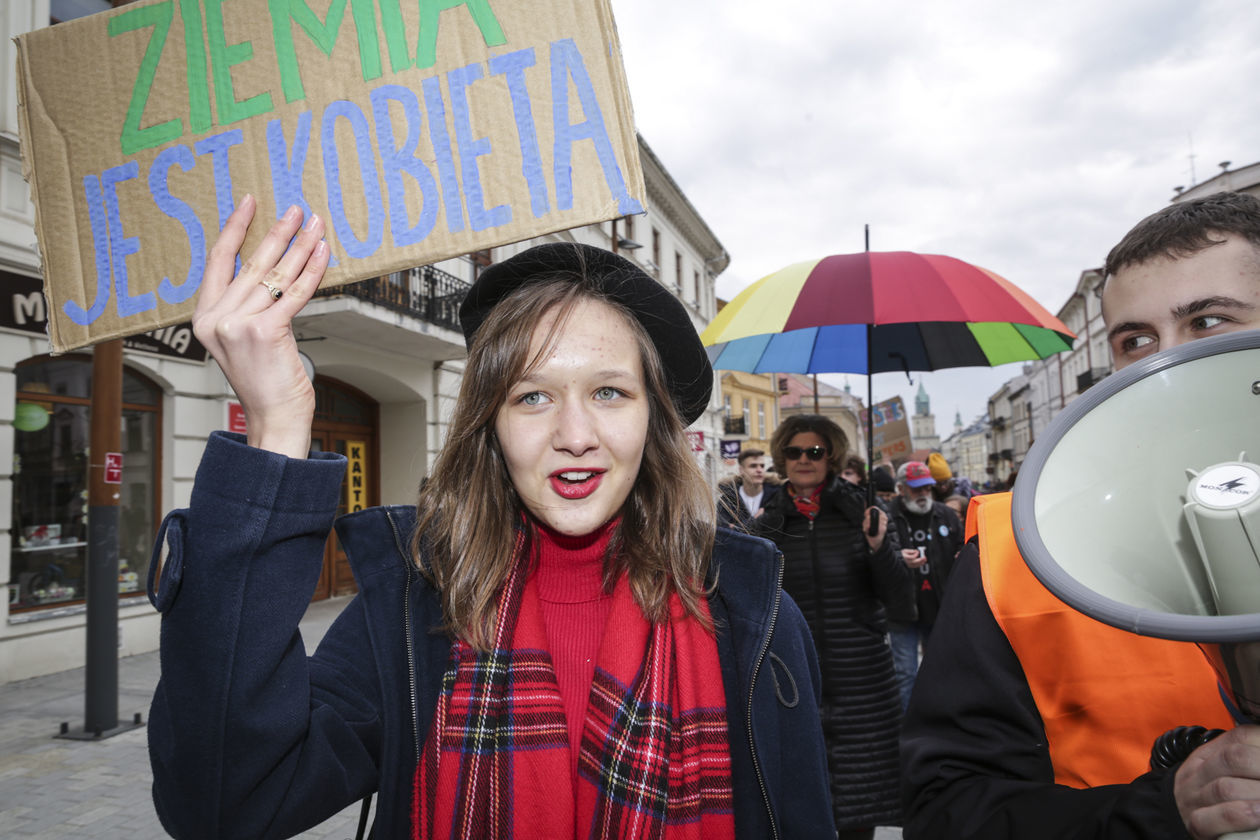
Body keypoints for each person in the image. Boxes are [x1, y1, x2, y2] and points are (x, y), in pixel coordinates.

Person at [146, 201, 835, 839]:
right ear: (491, 428)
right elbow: (222, 804)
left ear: (653, 420)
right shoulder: (414, 612)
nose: (575, 433)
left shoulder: (754, 621)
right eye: (532, 396)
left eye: (609, 392)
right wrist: (273, 429)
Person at [902, 190, 1260, 840]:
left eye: (1206, 322)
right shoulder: (1017, 547)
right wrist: (1161, 810)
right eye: (1134, 339)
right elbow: (949, 808)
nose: (1162, 361)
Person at [754, 414, 908, 839]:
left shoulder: (865, 512)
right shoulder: (768, 521)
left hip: (862, 675)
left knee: (863, 795)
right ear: (782, 457)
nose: (805, 460)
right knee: (800, 794)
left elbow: (900, 601)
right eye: (794, 451)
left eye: (815, 452)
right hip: (792, 674)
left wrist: (879, 549)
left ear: (832, 456)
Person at [884, 460, 964, 711]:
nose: (923, 494)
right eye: (916, 488)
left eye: (927, 488)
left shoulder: (945, 514)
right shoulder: (888, 515)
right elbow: (872, 558)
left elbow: (963, 544)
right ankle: (908, 729)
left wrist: (963, 555)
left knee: (941, 670)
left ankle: (940, 722)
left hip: (939, 605)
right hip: (902, 608)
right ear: (901, 488)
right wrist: (896, 558)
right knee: (905, 674)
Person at [716, 447, 778, 530]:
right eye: (753, 466)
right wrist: (755, 520)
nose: (759, 470)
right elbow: (723, 533)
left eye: (762, 466)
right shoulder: (728, 500)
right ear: (741, 470)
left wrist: (737, 527)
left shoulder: (777, 496)